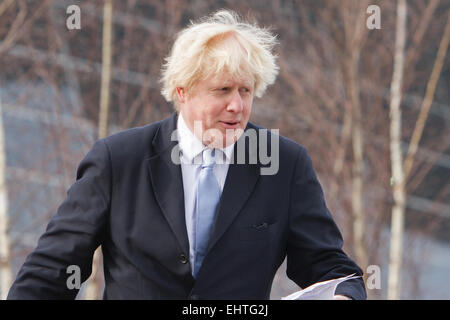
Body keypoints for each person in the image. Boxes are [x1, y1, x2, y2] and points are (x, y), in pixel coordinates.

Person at [8, 10, 366, 300]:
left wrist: (343, 296)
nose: (237, 105)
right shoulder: (119, 160)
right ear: (182, 92)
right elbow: (51, 270)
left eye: (246, 90)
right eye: (222, 90)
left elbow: (332, 269)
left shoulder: (284, 164)